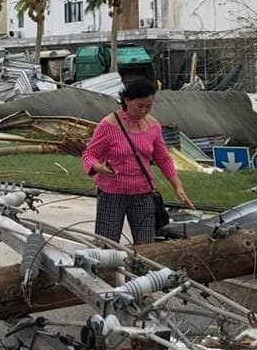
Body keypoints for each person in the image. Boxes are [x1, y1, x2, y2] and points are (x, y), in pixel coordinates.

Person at [81, 77, 192, 244]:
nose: (144, 111)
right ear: (127, 101)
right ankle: (106, 271)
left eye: (149, 106)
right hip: (112, 194)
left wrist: (178, 186)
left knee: (146, 247)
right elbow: (89, 154)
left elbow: (163, 158)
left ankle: (144, 271)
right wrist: (99, 167)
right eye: (140, 106)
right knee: (106, 246)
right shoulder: (108, 125)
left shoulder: (153, 125)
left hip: (143, 194)